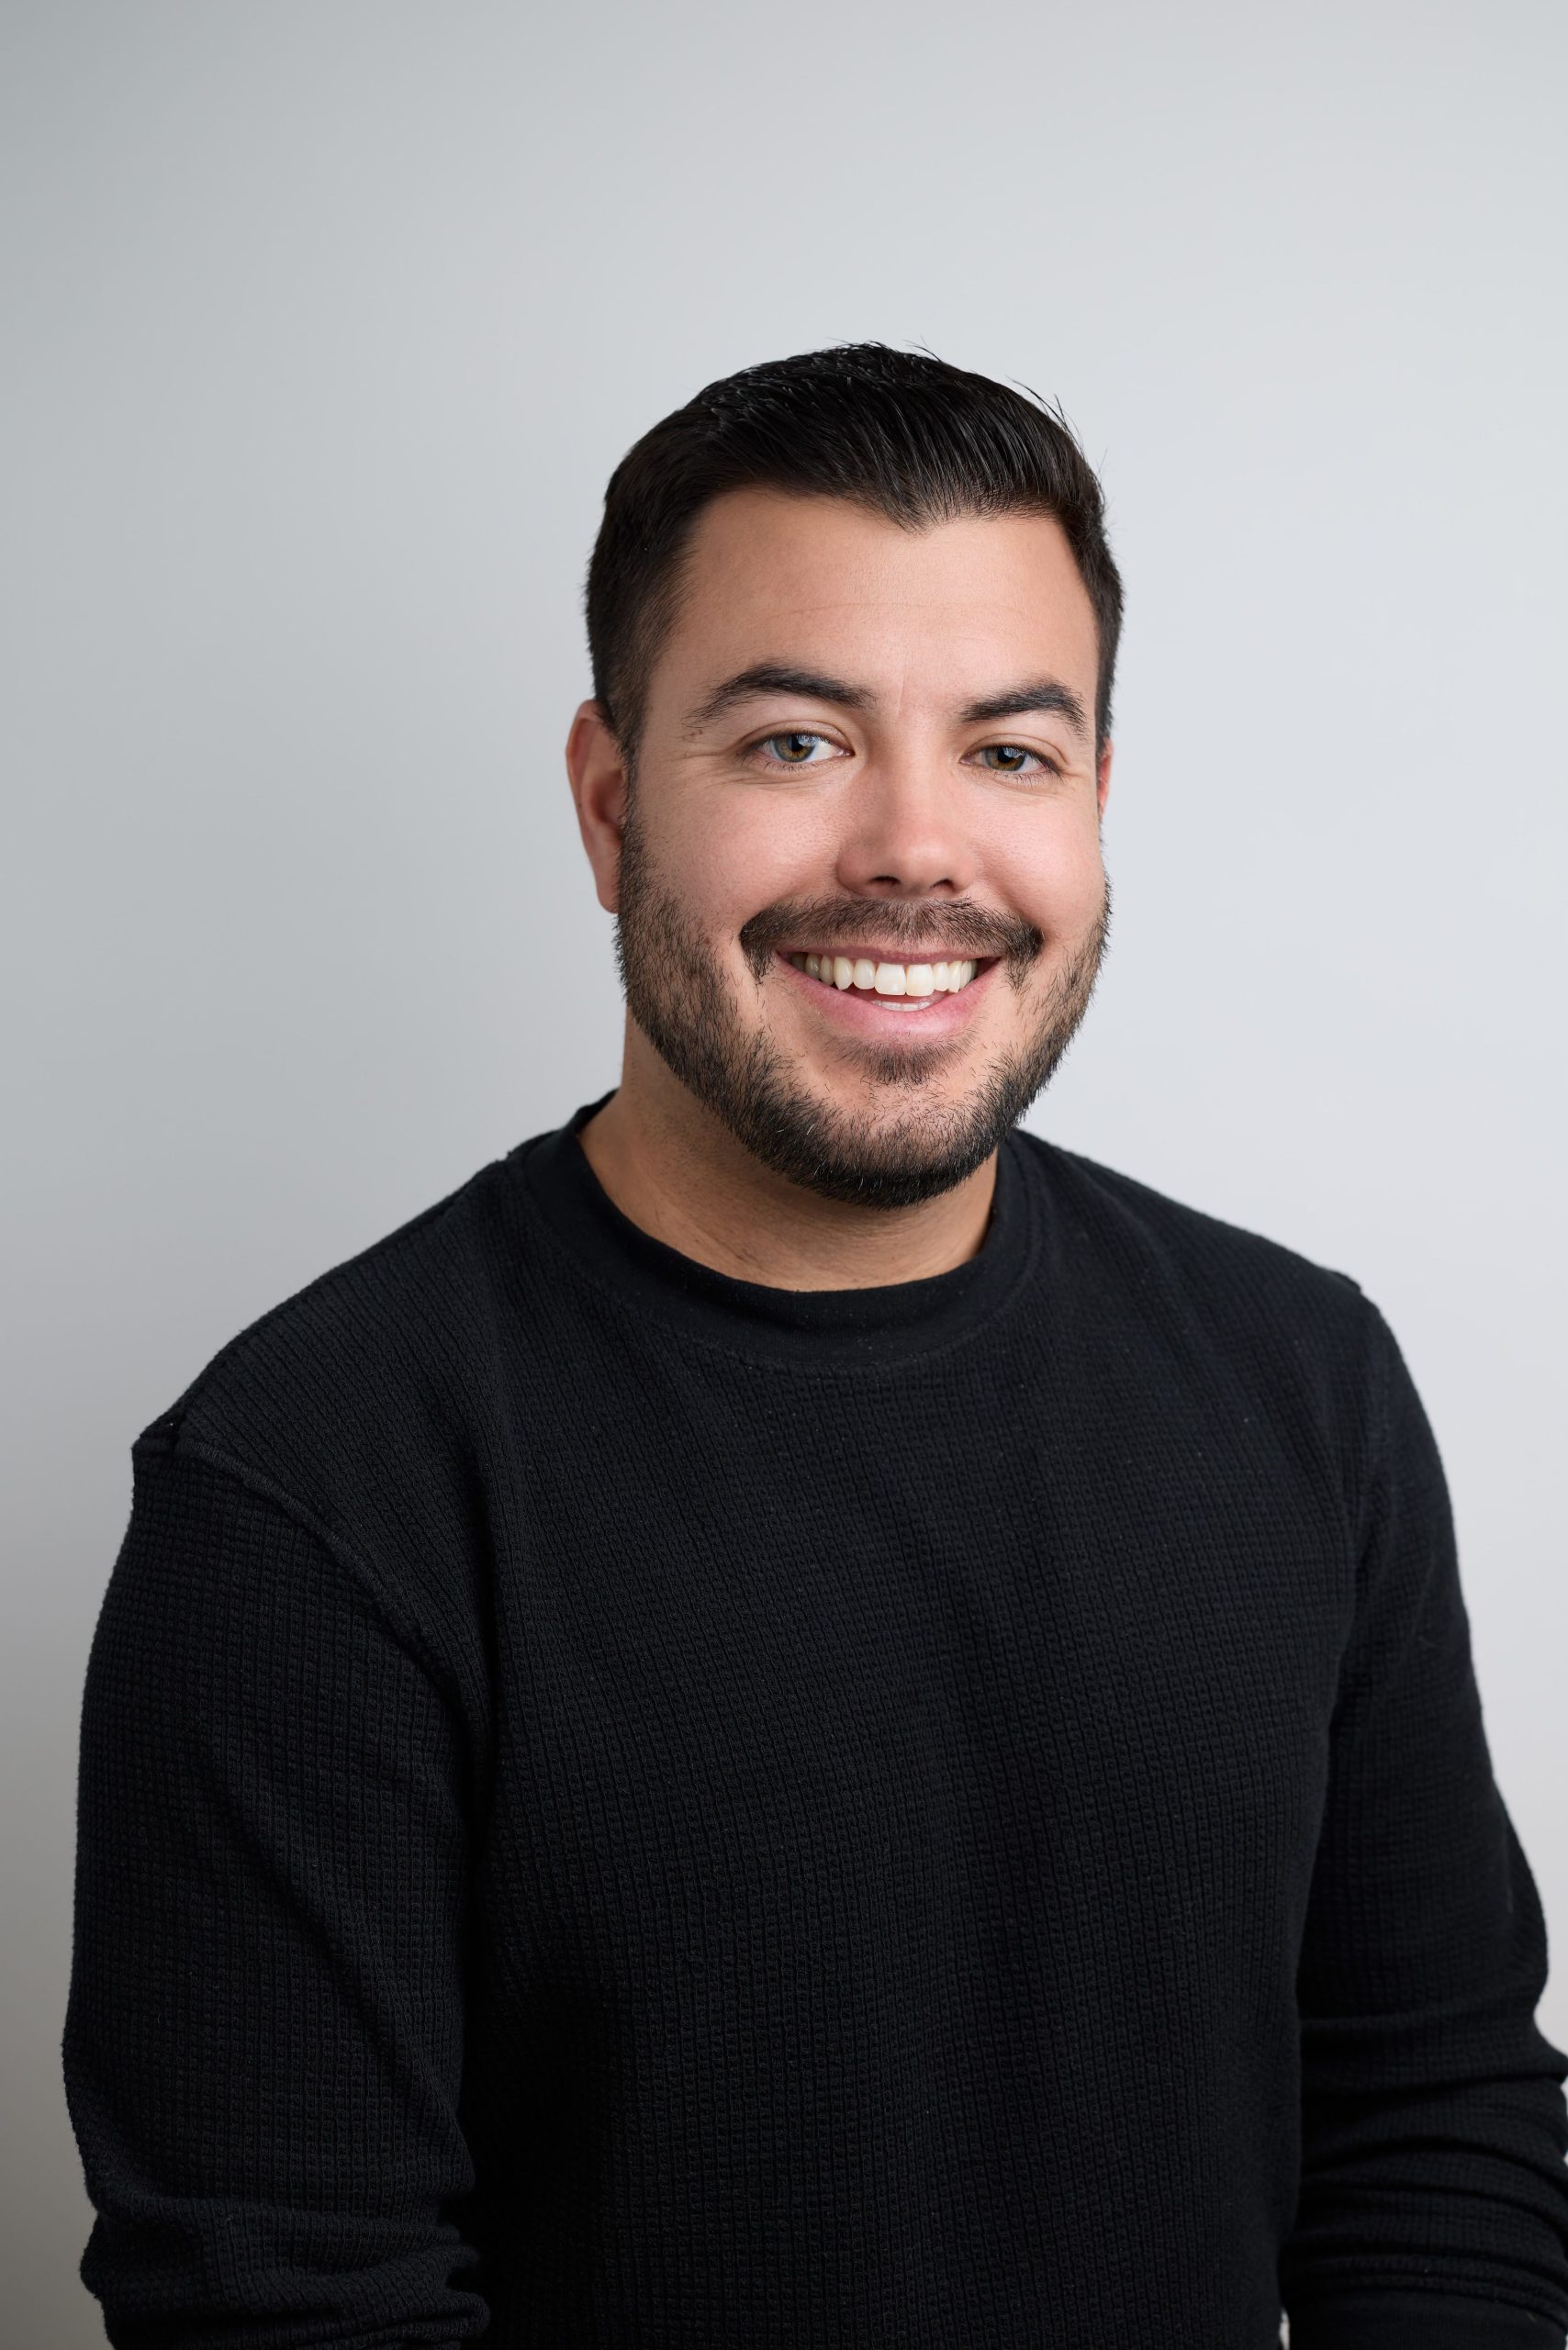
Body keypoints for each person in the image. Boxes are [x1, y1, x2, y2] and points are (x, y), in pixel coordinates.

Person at [62, 342, 1568, 2349]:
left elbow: (1435, 2130)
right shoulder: (308, 1489)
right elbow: (289, 2300)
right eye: (795, 742)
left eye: (1009, 753)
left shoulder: (1305, 1381)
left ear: (1096, 804)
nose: (915, 850)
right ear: (610, 804)